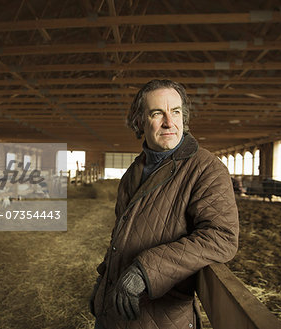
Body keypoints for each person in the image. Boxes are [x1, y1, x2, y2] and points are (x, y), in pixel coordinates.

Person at [89, 79, 239, 329]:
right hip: (115, 310)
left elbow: (222, 237)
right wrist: (102, 286)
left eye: (176, 112)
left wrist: (145, 270)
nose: (169, 123)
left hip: (160, 317)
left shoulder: (206, 169)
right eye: (157, 113)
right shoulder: (133, 172)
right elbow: (121, 235)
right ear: (139, 121)